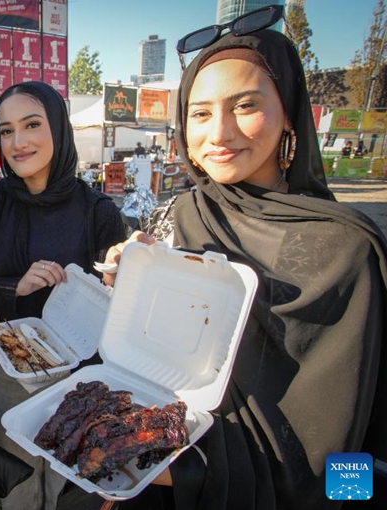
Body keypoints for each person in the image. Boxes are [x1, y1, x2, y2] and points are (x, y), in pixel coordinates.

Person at [94, 28, 387, 510]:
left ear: (288, 112)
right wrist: (126, 284)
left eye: (246, 106)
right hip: (161, 456)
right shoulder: (182, 214)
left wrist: (344, 498)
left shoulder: (345, 251)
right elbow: (163, 352)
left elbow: (351, 435)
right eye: (201, 113)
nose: (219, 133)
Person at [0, 81, 126, 510]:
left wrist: (120, 275)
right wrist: (12, 287)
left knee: (68, 477)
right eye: (6, 130)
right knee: (19, 474)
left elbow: (118, 305)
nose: (18, 142)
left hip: (82, 374)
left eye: (32, 124)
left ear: (57, 127)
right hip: (17, 363)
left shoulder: (98, 211)